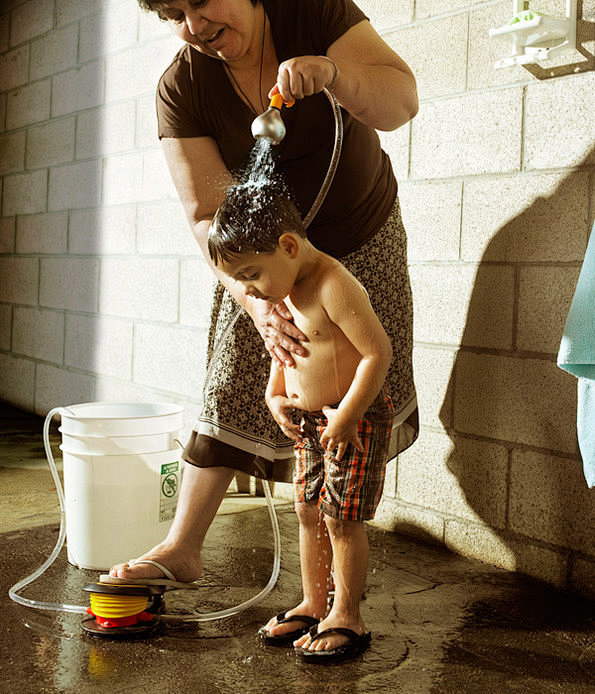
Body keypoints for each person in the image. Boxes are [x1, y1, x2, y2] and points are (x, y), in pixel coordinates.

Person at [108, 0, 420, 656]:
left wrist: (334, 73)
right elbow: (204, 211)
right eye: (172, 13)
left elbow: (398, 103)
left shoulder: (312, 12)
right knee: (237, 371)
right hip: (259, 254)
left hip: (357, 230)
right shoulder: (184, 85)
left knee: (351, 418)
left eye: (200, 1)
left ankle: (343, 604)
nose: (192, 25)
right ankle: (187, 549)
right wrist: (254, 301)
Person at [208, 185, 394, 658]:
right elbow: (285, 346)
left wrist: (348, 416)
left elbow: (377, 353)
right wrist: (275, 394)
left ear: (289, 246)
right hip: (309, 422)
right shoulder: (283, 286)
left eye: (251, 275)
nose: (248, 291)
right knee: (308, 510)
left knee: (340, 518)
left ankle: (348, 614)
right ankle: (314, 602)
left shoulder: (332, 283)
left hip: (352, 420)